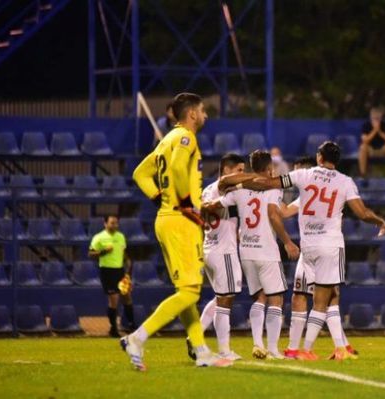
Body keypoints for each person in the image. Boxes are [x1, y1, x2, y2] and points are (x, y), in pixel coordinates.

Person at [220, 141, 385, 360]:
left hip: (307, 247)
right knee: (326, 298)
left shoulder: (304, 177)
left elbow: (269, 185)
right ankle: (311, 349)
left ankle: (331, 346)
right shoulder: (345, 182)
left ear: (319, 157)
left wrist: (238, 185)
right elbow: (362, 212)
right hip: (330, 245)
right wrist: (379, 221)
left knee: (303, 297)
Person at [124, 92, 231, 370]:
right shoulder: (186, 138)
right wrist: (184, 202)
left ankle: (201, 349)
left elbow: (139, 174)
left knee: (186, 291)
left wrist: (159, 197)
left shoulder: (165, 141)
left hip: (166, 218)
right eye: (203, 110)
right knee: (190, 293)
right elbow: (177, 167)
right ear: (192, 114)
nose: (206, 115)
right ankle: (138, 337)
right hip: (181, 222)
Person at [203, 150, 300, 360]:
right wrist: (288, 242)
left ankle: (257, 343)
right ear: (269, 169)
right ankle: (273, 349)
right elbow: (274, 214)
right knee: (276, 299)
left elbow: (217, 204)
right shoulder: (273, 187)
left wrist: (205, 206)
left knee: (259, 297)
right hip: (266, 250)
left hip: (246, 251)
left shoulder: (240, 188)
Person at [280, 159, 357, 360]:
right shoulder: (306, 195)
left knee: (329, 296)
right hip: (312, 253)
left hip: (321, 250)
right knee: (302, 296)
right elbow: (284, 211)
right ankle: (295, 349)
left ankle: (340, 346)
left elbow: (284, 212)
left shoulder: (318, 189)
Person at [187, 153, 246, 361]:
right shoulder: (222, 186)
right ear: (227, 170)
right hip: (224, 250)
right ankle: (224, 350)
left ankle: (196, 335)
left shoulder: (207, 190)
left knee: (221, 297)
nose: (242, 174)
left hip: (210, 247)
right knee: (226, 301)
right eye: (239, 170)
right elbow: (226, 182)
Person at [89, 215, 134, 338]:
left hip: (120, 271)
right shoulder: (99, 237)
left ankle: (132, 325)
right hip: (107, 271)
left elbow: (123, 252)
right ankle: (113, 328)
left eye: (116, 223)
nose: (114, 225)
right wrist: (103, 251)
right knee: (114, 299)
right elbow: (91, 253)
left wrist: (128, 263)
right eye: (112, 223)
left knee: (127, 297)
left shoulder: (120, 237)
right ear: (105, 223)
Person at [359, 106, 385, 176]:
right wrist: (374, 131)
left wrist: (379, 131)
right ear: (371, 117)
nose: (376, 120)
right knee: (363, 147)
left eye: (378, 118)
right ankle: (363, 174)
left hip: (383, 149)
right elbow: (365, 140)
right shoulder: (366, 125)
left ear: (381, 117)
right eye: (374, 118)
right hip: (370, 149)